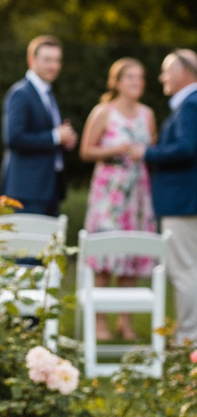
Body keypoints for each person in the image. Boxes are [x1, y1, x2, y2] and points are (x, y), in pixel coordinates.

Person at [79, 58, 158, 340]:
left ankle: (125, 321)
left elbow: (153, 148)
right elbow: (86, 151)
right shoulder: (103, 112)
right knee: (104, 258)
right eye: (131, 77)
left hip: (137, 194)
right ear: (117, 82)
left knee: (131, 257)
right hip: (109, 194)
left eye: (141, 77)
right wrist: (118, 148)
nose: (137, 82)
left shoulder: (147, 114)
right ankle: (99, 321)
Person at [128, 48, 197, 344]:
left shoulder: (191, 104)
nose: (161, 77)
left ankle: (188, 339)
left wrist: (147, 152)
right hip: (185, 200)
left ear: (183, 72)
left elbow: (187, 148)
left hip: (183, 201)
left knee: (185, 270)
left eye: (166, 70)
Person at [0, 35, 79, 215]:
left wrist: (64, 139)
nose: (54, 66)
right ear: (31, 60)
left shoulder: (48, 93)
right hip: (27, 190)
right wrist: (55, 136)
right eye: (47, 60)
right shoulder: (20, 93)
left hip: (50, 187)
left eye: (57, 60)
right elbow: (13, 137)